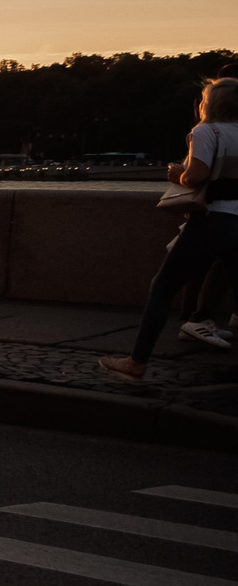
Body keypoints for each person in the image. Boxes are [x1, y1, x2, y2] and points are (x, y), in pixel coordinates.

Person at [103, 77, 238, 381]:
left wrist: (178, 174)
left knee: (162, 288)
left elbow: (197, 175)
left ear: (210, 104)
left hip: (212, 220)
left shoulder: (206, 131)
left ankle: (136, 364)